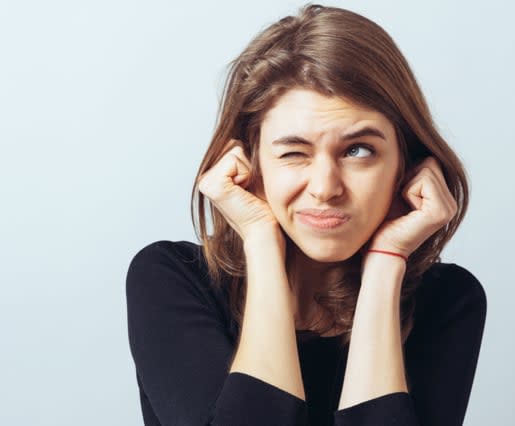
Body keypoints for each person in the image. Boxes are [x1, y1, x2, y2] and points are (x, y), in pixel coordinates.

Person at [126, 4, 487, 426]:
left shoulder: (448, 301)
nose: (325, 187)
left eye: (358, 151)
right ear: (250, 162)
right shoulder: (171, 278)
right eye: (294, 152)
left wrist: (386, 264)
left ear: (405, 165)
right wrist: (261, 242)